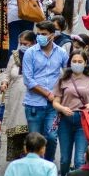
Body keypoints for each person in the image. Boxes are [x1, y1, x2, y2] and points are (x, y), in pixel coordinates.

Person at [22, 21, 69, 163]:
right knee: (34, 140)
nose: (40, 37)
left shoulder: (61, 53)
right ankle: (35, 165)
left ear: (52, 36)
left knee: (51, 137)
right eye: (39, 34)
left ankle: (48, 164)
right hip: (34, 104)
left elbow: (68, 74)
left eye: (44, 34)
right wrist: (47, 94)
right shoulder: (30, 53)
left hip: (53, 106)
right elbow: (28, 80)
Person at [52, 51, 89, 176]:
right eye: (74, 61)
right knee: (64, 159)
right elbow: (55, 102)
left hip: (83, 120)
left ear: (85, 63)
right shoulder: (63, 79)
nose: (77, 64)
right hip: (66, 120)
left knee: (80, 159)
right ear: (70, 63)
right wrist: (62, 108)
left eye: (80, 61)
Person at [0, 31, 35, 162]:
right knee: (16, 124)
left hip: (32, 95)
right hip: (15, 96)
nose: (23, 46)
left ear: (33, 43)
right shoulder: (14, 56)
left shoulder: (38, 56)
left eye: (26, 44)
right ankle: (16, 157)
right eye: (21, 43)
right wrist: (4, 83)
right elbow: (7, 74)